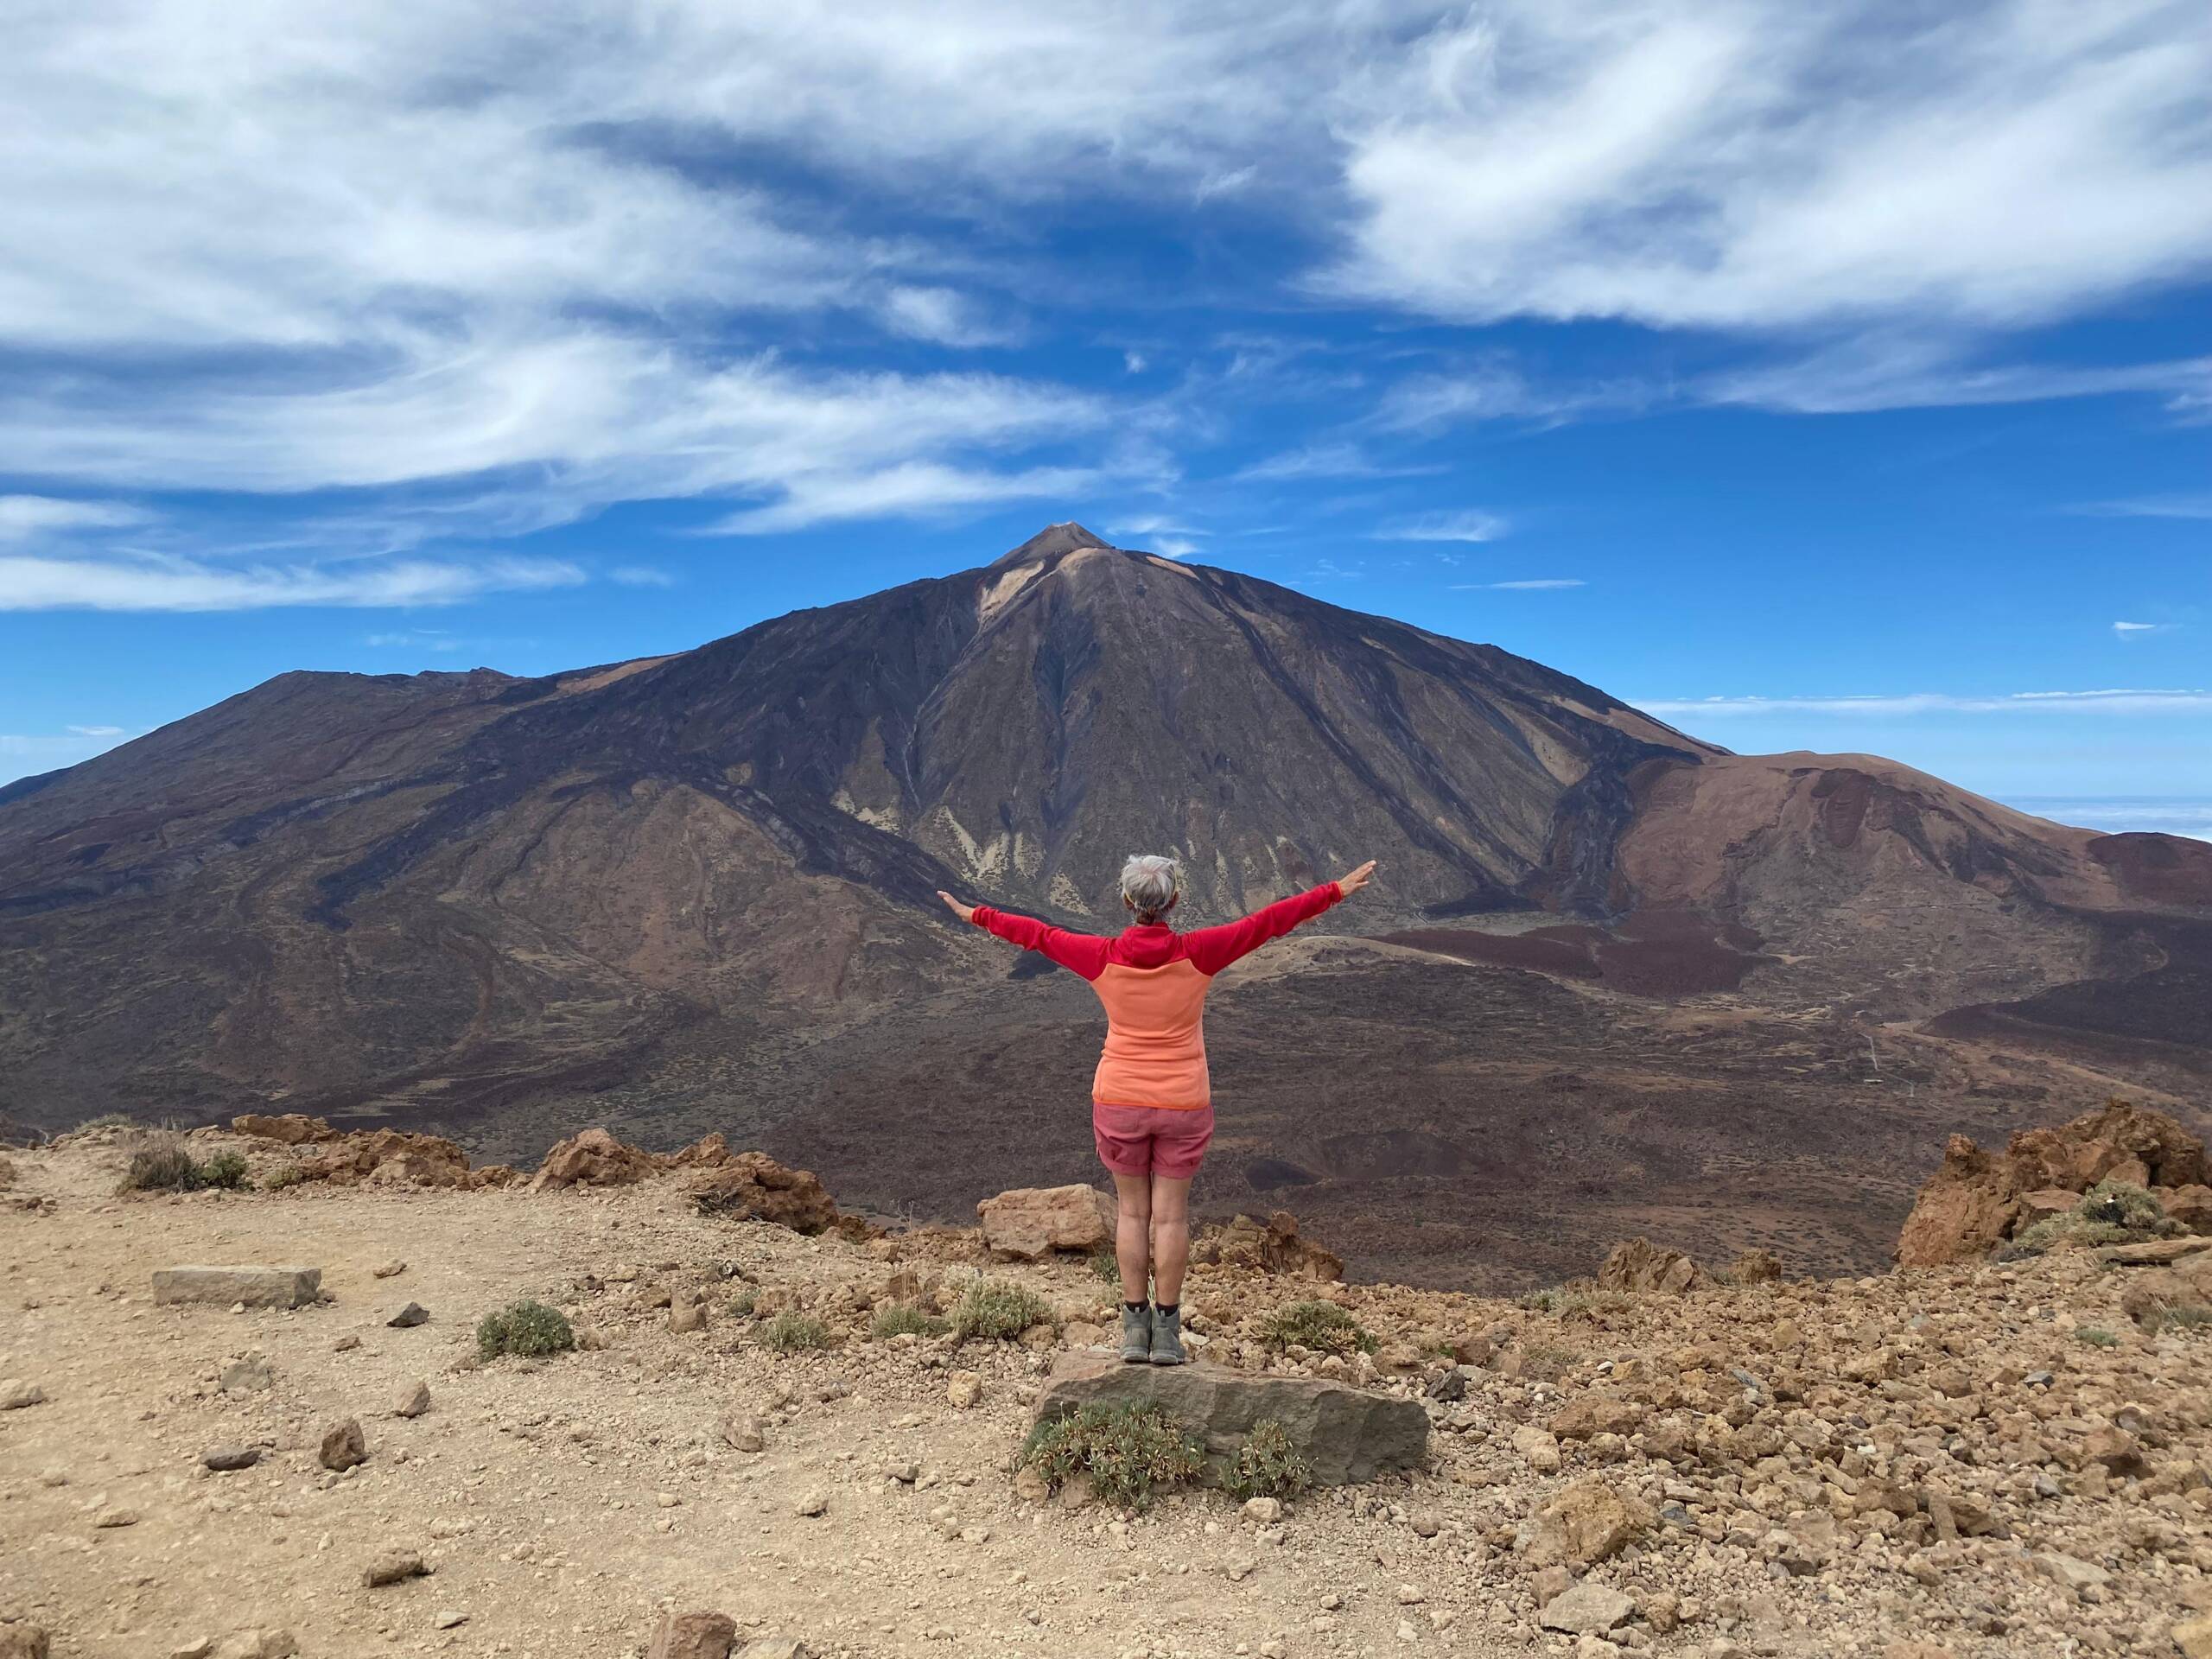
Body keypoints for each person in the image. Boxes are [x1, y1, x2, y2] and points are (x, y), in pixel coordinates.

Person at [937, 854, 1376, 1364]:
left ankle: (1132, 1329)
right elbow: (1269, 922)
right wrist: (1336, 890)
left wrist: (977, 915)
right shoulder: (1201, 952)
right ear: (1173, 901)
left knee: (1130, 1212)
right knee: (1170, 1217)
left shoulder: (1099, 956)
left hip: (1119, 1099)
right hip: (1183, 1101)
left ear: (1127, 902)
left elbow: (1035, 933)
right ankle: (1166, 1334)